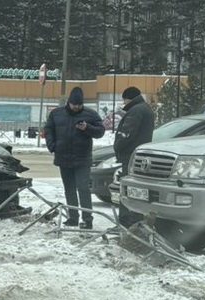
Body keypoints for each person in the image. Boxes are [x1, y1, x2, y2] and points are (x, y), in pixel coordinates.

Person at [44, 86, 105, 229]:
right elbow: (48, 129)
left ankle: (87, 218)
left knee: (83, 188)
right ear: (69, 102)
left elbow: (100, 131)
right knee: (69, 189)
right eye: (74, 105)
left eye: (79, 105)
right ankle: (73, 217)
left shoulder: (91, 114)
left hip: (82, 158)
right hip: (63, 157)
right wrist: (52, 145)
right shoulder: (56, 114)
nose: (76, 107)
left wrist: (87, 128)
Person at [113, 86, 155, 227]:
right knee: (135, 190)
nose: (123, 103)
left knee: (127, 190)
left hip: (130, 156)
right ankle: (134, 221)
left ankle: (126, 222)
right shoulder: (144, 108)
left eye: (124, 100)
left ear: (128, 98)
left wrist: (118, 146)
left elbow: (127, 134)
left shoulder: (135, 111)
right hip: (139, 156)